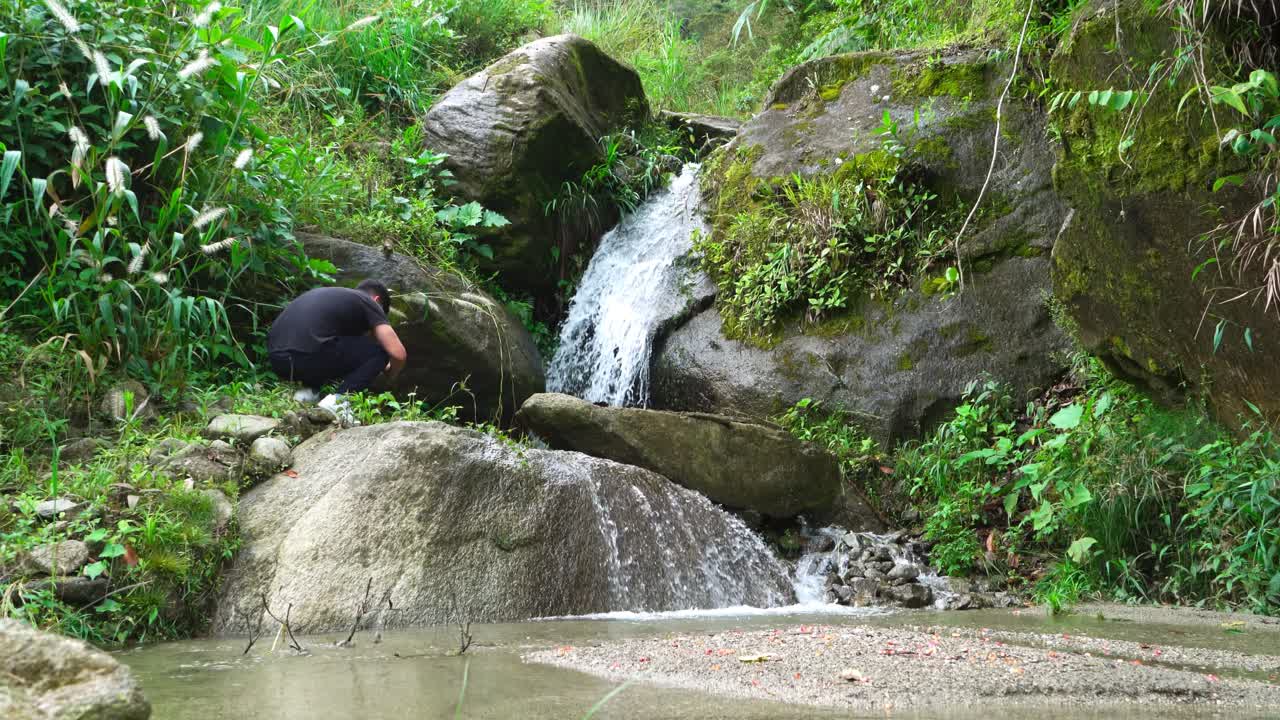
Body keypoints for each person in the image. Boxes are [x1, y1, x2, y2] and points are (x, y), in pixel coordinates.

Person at [267, 279, 408, 422]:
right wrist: (390, 374)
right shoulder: (368, 301)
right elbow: (398, 354)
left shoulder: (331, 296)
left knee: (330, 345)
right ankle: (339, 402)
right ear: (376, 300)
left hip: (278, 360)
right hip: (309, 355)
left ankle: (308, 394)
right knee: (380, 352)